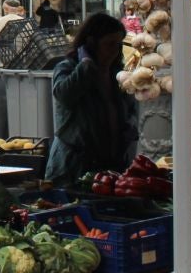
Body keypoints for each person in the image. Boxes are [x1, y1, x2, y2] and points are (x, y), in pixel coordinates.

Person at [47, 13, 131, 187]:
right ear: (92, 43)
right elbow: (64, 95)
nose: (114, 51)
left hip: (110, 167)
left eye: (118, 45)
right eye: (109, 44)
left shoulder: (117, 74)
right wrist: (85, 66)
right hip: (73, 168)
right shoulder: (67, 68)